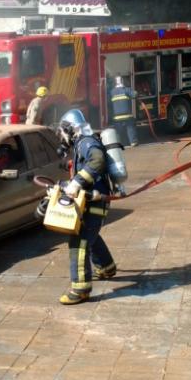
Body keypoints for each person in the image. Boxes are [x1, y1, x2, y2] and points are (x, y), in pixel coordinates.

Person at [56, 109, 117, 305]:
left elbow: (97, 161)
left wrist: (77, 183)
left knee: (78, 243)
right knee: (91, 234)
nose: (62, 137)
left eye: (62, 132)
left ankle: (80, 289)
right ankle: (106, 267)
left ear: (70, 129)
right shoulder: (81, 143)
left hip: (94, 203)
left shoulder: (86, 142)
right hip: (91, 203)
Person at [109, 75, 138, 147]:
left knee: (118, 131)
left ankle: (119, 144)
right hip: (127, 116)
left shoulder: (111, 92)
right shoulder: (126, 90)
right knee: (130, 127)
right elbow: (134, 95)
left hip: (116, 117)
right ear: (122, 81)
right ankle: (133, 142)